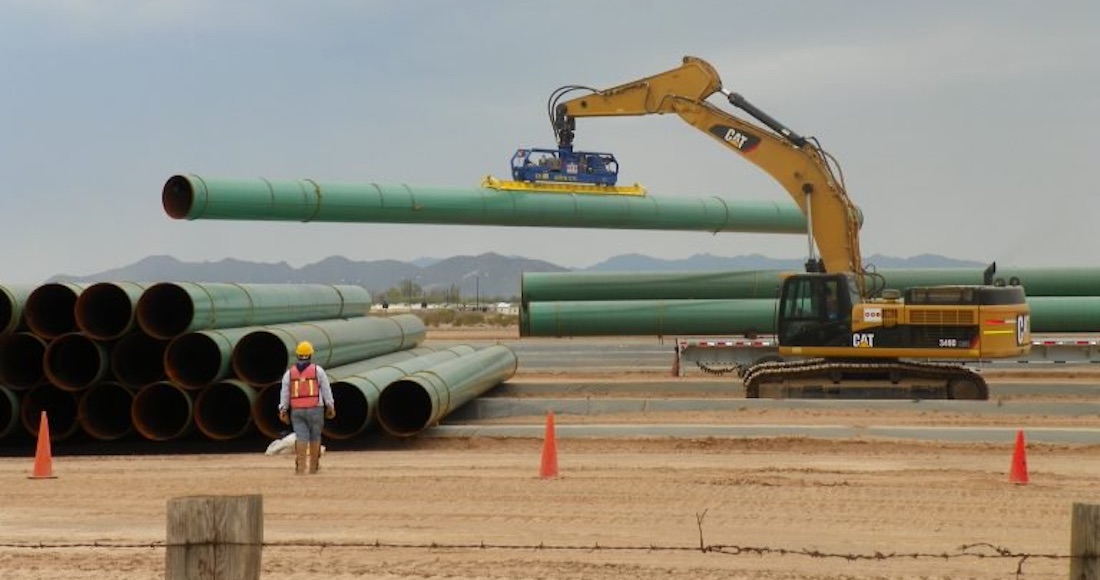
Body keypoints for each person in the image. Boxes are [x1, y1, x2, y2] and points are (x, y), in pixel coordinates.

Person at [278, 341, 335, 475]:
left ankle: (300, 468)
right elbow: (326, 389)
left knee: (301, 437)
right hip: (316, 408)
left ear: (297, 355)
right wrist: (330, 406)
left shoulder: (289, 373)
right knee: (315, 437)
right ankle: (313, 468)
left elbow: (285, 393)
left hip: (297, 410)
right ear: (310, 355)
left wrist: (283, 409)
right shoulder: (317, 370)